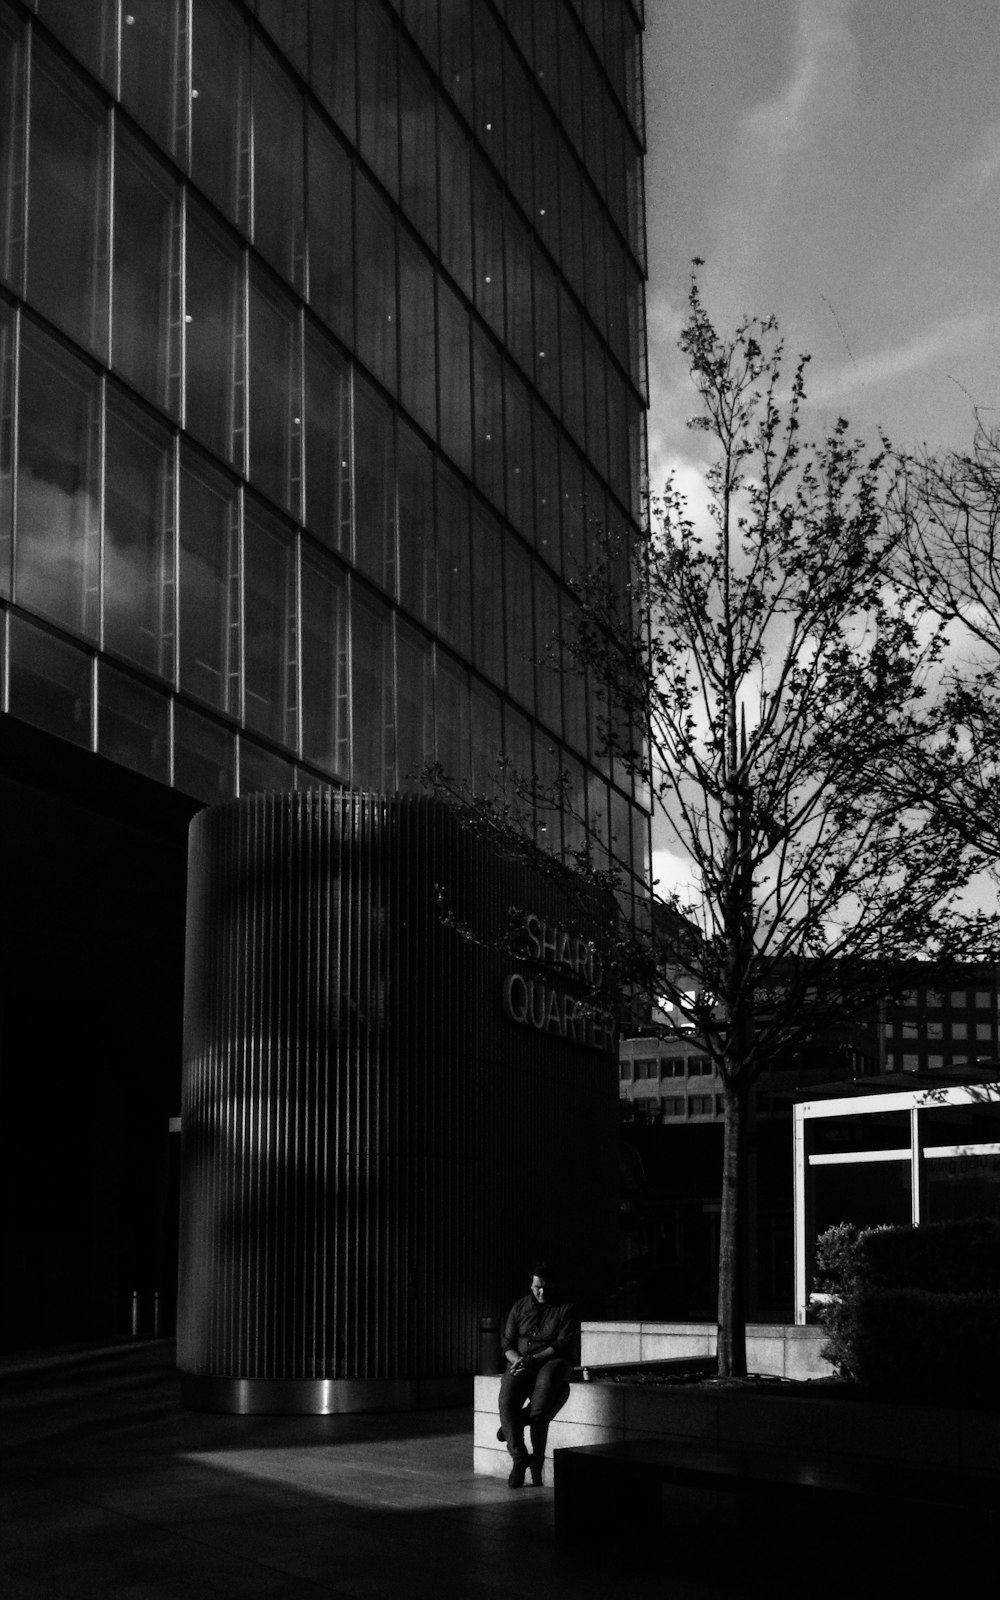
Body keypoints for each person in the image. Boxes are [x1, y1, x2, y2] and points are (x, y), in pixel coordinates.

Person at [498, 1262, 576, 1488]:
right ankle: (519, 1459)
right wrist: (517, 1360)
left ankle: (509, 1427)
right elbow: (508, 1344)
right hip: (522, 1361)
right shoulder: (520, 1307)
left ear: (553, 1285)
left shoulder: (565, 1308)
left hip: (550, 1361)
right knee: (506, 1399)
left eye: (544, 1287)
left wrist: (534, 1359)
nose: (540, 1292)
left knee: (540, 1406)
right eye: (536, 1287)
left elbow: (562, 1344)